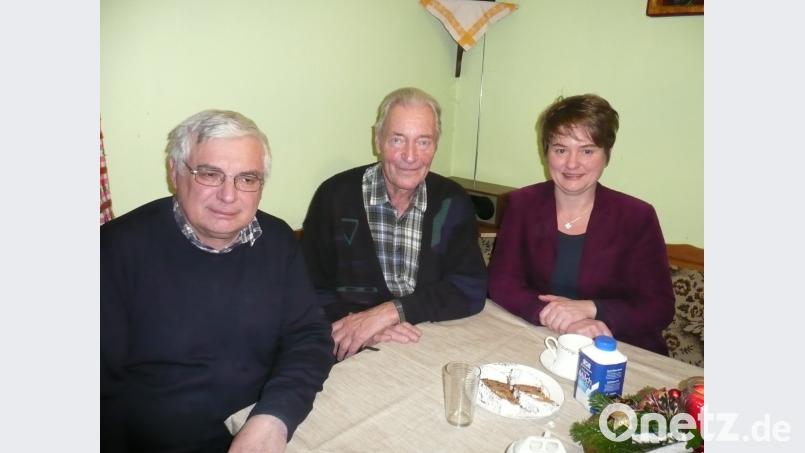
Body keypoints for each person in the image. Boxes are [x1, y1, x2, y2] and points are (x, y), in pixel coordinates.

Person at [101, 110, 334, 452]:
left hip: (265, 426)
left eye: (247, 178)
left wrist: (275, 417)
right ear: (175, 172)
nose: (229, 195)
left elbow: (309, 338)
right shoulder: (116, 249)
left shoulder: (278, 241)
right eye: (210, 174)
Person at [301, 87, 488, 361]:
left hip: (427, 340)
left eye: (423, 142)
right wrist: (361, 325)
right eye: (397, 140)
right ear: (378, 140)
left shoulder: (451, 200)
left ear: (436, 145)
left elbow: (470, 288)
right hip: (352, 346)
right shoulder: (334, 197)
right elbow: (307, 288)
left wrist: (391, 312)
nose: (410, 156)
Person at [488, 94, 674, 355]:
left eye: (587, 150)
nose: (572, 163)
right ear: (547, 154)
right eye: (561, 149)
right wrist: (551, 314)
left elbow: (659, 307)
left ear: (606, 155)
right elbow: (501, 282)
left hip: (617, 351)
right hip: (541, 340)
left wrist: (590, 309)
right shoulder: (522, 204)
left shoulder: (637, 217)